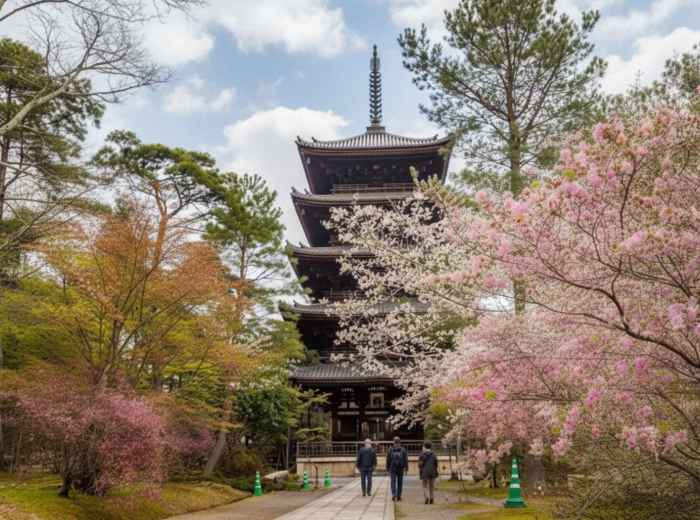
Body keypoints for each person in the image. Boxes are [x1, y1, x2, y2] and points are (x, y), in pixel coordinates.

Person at [386, 436, 408, 501]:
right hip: (400, 468)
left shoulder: (390, 449)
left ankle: (393, 494)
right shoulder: (403, 450)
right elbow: (405, 459)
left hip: (392, 467)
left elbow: (388, 459)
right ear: (400, 442)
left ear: (393, 442)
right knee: (400, 482)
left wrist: (387, 468)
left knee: (393, 482)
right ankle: (399, 496)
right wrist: (406, 468)